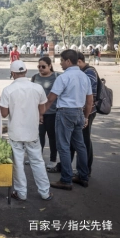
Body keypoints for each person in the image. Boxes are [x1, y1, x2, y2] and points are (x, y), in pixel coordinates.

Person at [0, 60, 53, 201]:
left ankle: (21, 193)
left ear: (12, 73)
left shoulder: (8, 90)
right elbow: (42, 109)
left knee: (18, 163)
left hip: (16, 132)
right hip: (32, 131)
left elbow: (4, 113)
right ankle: (45, 192)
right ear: (26, 72)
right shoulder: (37, 88)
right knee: (37, 161)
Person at [44, 50, 92, 190]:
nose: (60, 63)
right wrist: (86, 117)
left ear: (68, 61)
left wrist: (40, 113)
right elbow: (89, 100)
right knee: (80, 146)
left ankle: (66, 179)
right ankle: (83, 176)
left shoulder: (63, 77)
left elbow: (51, 99)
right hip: (79, 112)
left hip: (65, 112)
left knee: (63, 146)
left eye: (62, 60)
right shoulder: (84, 77)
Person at [31, 57, 59, 170]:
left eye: (43, 66)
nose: (40, 69)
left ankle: (53, 160)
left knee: (52, 137)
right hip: (37, 112)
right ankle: (37, 157)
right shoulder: (35, 77)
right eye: (39, 66)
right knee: (38, 136)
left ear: (50, 65)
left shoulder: (57, 77)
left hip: (52, 112)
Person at [71, 52, 97, 176]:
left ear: (79, 61)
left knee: (84, 141)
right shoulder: (85, 72)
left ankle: (85, 170)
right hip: (81, 111)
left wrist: (85, 116)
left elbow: (89, 96)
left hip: (87, 111)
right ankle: (75, 168)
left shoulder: (89, 73)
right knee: (76, 140)